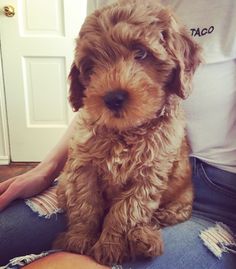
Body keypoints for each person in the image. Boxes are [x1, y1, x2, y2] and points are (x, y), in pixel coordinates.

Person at [0, 0, 235, 268]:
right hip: (93, 192)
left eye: (140, 54)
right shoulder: (104, 6)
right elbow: (87, 118)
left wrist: (118, 230)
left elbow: (147, 181)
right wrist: (47, 169)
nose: (112, 80)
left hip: (215, 194)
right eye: (94, 67)